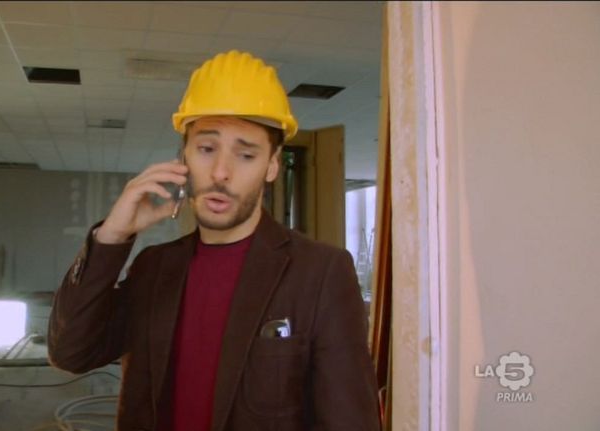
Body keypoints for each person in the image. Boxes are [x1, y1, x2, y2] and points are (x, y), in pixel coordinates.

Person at [48, 50, 381, 431]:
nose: (221, 172)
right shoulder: (154, 267)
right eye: (206, 149)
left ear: (272, 166)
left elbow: (349, 421)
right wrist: (112, 236)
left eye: (246, 155)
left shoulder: (320, 271)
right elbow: (71, 353)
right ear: (184, 157)